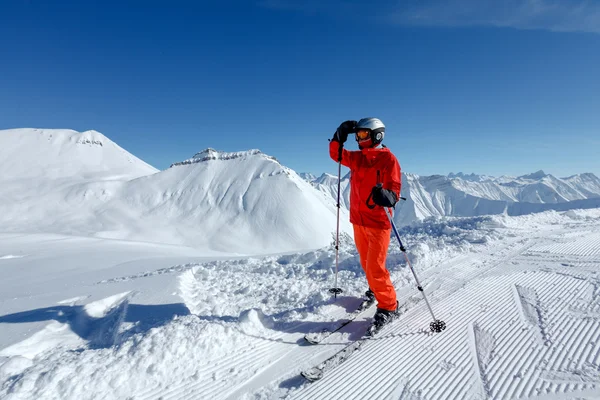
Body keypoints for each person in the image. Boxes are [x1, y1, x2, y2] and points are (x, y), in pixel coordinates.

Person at [329, 118, 402, 330]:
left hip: (378, 222)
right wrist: (338, 136)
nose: (359, 140)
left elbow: (395, 189)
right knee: (365, 261)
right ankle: (375, 289)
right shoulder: (357, 158)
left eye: (363, 135)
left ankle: (389, 305)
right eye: (357, 136)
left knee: (375, 266)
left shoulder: (388, 159)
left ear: (377, 136)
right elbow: (337, 155)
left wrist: (388, 196)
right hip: (359, 221)